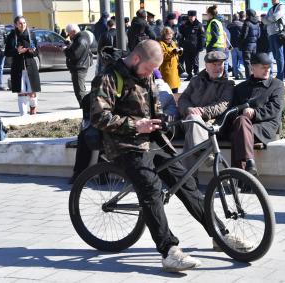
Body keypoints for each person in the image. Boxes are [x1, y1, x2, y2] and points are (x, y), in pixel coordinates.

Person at [89, 40, 249, 272]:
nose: (149, 75)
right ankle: (169, 252)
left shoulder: (147, 74)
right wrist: (136, 125)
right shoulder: (109, 77)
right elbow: (99, 117)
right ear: (136, 59)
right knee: (152, 188)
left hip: (154, 140)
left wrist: (163, 121)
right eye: (148, 69)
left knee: (186, 184)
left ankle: (220, 234)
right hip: (124, 144)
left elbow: (156, 106)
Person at [178, 51, 234, 170]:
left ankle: (189, 182)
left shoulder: (228, 84)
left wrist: (201, 112)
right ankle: (204, 153)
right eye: (214, 65)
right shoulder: (195, 81)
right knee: (193, 120)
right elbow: (183, 99)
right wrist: (189, 109)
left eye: (221, 64)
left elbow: (222, 105)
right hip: (189, 120)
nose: (218, 68)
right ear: (206, 66)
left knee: (193, 126)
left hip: (211, 123)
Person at [230, 53, 284, 175]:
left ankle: (239, 177)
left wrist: (254, 113)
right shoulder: (240, 88)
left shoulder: (276, 84)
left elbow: (275, 108)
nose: (267, 70)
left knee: (238, 132)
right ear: (253, 67)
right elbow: (233, 109)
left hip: (265, 125)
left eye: (269, 67)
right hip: (243, 125)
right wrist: (242, 112)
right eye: (263, 67)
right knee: (241, 124)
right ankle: (249, 164)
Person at [4, 16, 41, 116]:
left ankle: (33, 109)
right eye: (20, 23)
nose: (23, 25)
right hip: (17, 67)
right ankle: (23, 116)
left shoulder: (31, 34)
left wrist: (32, 51)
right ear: (15, 24)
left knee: (32, 92)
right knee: (21, 92)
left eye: (24, 23)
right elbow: (7, 52)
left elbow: (37, 51)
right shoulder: (12, 36)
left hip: (30, 66)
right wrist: (17, 51)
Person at [63, 23, 91, 106]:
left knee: (80, 91)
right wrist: (69, 45)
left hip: (79, 68)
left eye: (69, 33)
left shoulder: (80, 40)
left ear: (74, 31)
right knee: (81, 90)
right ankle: (85, 108)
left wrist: (65, 50)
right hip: (80, 66)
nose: (69, 36)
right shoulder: (80, 37)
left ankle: (84, 110)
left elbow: (74, 55)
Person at [262, 0, 285, 81]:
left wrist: (267, 19)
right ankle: (280, 74)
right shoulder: (270, 9)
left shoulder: (281, 6)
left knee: (279, 56)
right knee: (275, 56)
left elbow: (275, 17)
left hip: (278, 33)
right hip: (271, 34)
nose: (272, 0)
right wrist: (268, 19)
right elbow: (264, 20)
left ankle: (280, 76)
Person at [179, 10, 205, 81]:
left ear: (195, 16)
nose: (190, 18)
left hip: (195, 47)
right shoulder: (185, 25)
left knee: (195, 62)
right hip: (186, 47)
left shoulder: (199, 25)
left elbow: (202, 37)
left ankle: (196, 75)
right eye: (189, 16)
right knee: (188, 62)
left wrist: (201, 47)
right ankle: (189, 74)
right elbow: (181, 35)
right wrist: (180, 45)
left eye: (192, 16)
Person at [159, 27, 182, 94]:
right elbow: (163, 56)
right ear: (164, 35)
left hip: (175, 69)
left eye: (171, 34)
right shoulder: (161, 43)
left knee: (175, 89)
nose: (170, 37)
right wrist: (173, 52)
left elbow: (176, 53)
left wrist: (179, 51)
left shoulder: (172, 42)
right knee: (168, 90)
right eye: (168, 35)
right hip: (167, 70)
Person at [241, 9, 261, 79]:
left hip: (247, 45)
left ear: (248, 14)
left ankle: (249, 79)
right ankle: (255, 77)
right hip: (254, 45)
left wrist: (241, 43)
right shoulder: (258, 23)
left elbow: (244, 35)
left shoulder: (247, 23)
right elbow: (259, 35)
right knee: (254, 62)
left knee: (247, 62)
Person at [228, 13, 243, 80]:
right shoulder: (242, 24)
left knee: (234, 61)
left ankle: (236, 75)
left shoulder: (229, 25)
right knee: (241, 59)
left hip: (232, 45)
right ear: (238, 17)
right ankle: (240, 70)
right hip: (240, 45)